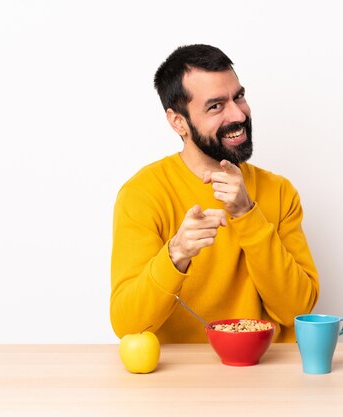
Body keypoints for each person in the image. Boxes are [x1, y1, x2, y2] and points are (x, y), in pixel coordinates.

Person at [110, 44, 319, 343]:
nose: (238, 114)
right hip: (178, 381)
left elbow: (297, 310)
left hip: (267, 376)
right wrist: (177, 253)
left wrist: (247, 214)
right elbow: (128, 325)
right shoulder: (142, 194)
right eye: (216, 106)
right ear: (178, 121)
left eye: (239, 97)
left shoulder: (279, 191)